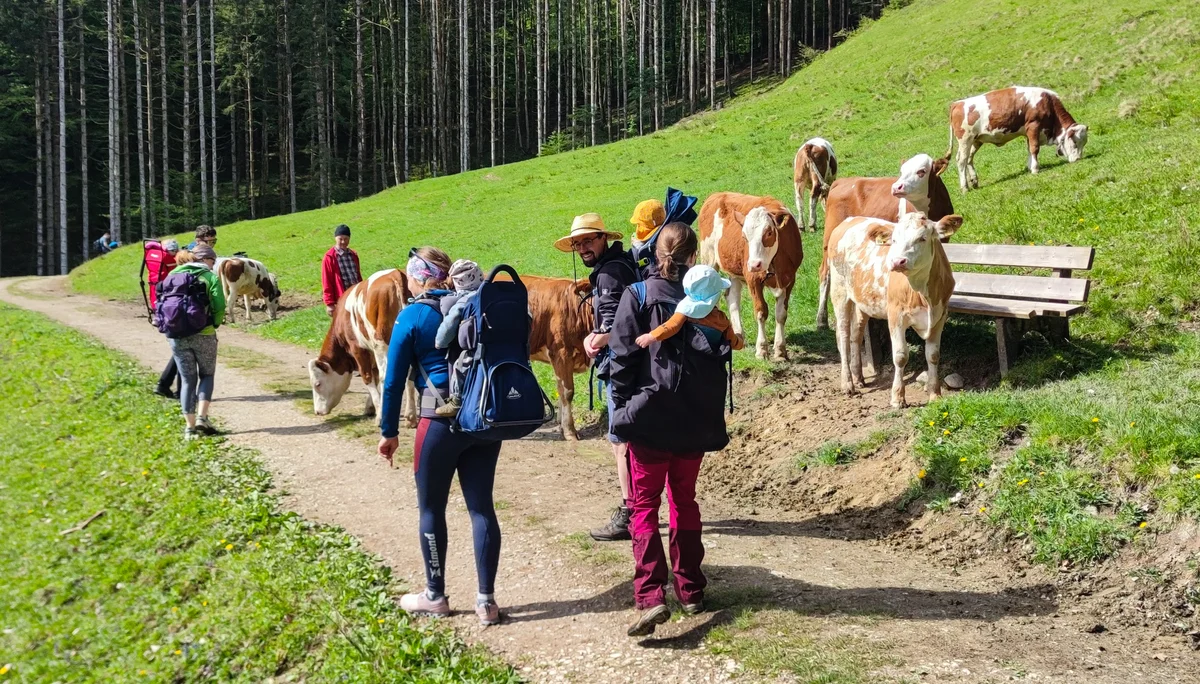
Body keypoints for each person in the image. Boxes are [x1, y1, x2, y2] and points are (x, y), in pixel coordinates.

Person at [608, 223, 732, 637]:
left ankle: (651, 596)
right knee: (685, 500)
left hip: (649, 418)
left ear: (653, 252)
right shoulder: (707, 296)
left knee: (644, 506)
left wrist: (623, 412)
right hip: (695, 420)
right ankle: (691, 589)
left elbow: (622, 358)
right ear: (694, 256)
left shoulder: (638, 295)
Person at [377, 247, 504, 627]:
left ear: (418, 276)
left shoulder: (412, 315)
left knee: (431, 509)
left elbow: (394, 382)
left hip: (438, 422)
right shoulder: (475, 304)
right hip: (482, 419)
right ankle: (487, 603)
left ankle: (435, 596)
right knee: (482, 507)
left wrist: (388, 433)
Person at [554, 213, 640, 542]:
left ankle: (630, 511)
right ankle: (639, 506)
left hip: (621, 365)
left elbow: (621, 321)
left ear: (603, 238)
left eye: (588, 240)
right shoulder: (620, 264)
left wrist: (597, 338)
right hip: (632, 362)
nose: (582, 248)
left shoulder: (609, 274)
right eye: (577, 243)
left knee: (621, 442)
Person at [165, 244, 227, 440]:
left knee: (187, 380)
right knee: (207, 375)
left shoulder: (171, 276)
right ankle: (202, 417)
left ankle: (189, 428)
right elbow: (220, 305)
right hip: (205, 333)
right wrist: (215, 323)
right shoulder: (209, 277)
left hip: (176, 335)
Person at [635, 264, 744, 352]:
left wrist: (652, 336)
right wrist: (740, 339)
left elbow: (671, 326)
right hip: (711, 367)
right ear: (715, 295)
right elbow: (733, 342)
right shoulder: (721, 319)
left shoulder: (685, 310)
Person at [433, 259, 485, 418]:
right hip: (508, 347)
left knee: (461, 364)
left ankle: (457, 401)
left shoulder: (465, 300)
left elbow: (446, 331)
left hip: (480, 350)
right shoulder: (497, 294)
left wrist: (439, 342)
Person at [153, 239, 183, 398]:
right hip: (184, 319)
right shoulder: (183, 276)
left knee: (179, 352)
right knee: (185, 354)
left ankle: (164, 385)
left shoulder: (166, 280)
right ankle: (179, 391)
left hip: (168, 316)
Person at [321, 224, 363, 317]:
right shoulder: (329, 257)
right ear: (335, 238)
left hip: (356, 296)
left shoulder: (353, 255)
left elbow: (358, 275)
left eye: (346, 239)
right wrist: (329, 303)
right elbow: (326, 281)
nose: (343, 241)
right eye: (340, 239)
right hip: (342, 298)